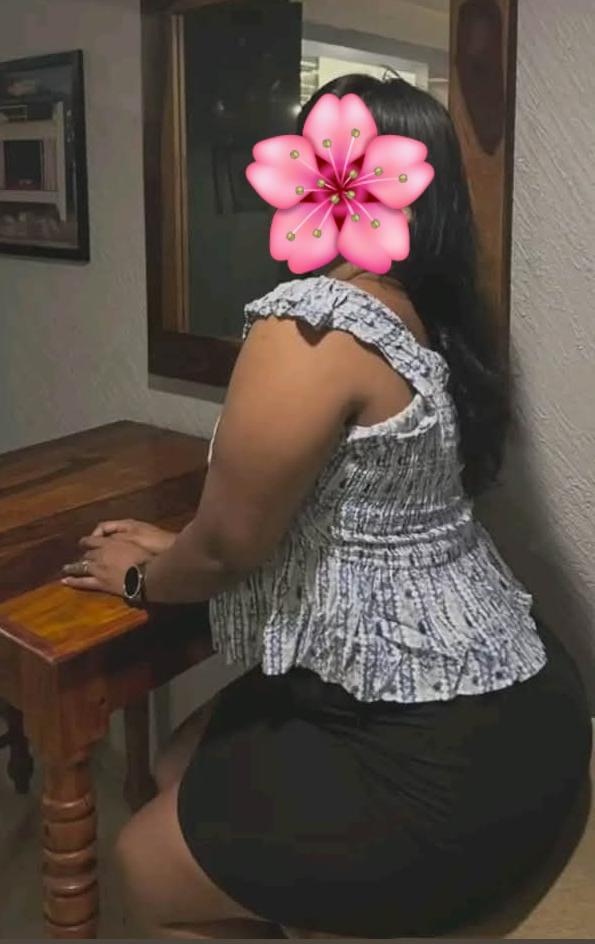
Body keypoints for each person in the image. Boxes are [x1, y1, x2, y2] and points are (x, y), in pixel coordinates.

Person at [63, 75, 593, 939]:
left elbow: (229, 549)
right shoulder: (431, 316)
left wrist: (140, 578)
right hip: (524, 704)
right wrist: (183, 541)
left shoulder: (316, 318)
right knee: (176, 762)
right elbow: (344, 512)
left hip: (434, 753)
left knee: (138, 868)